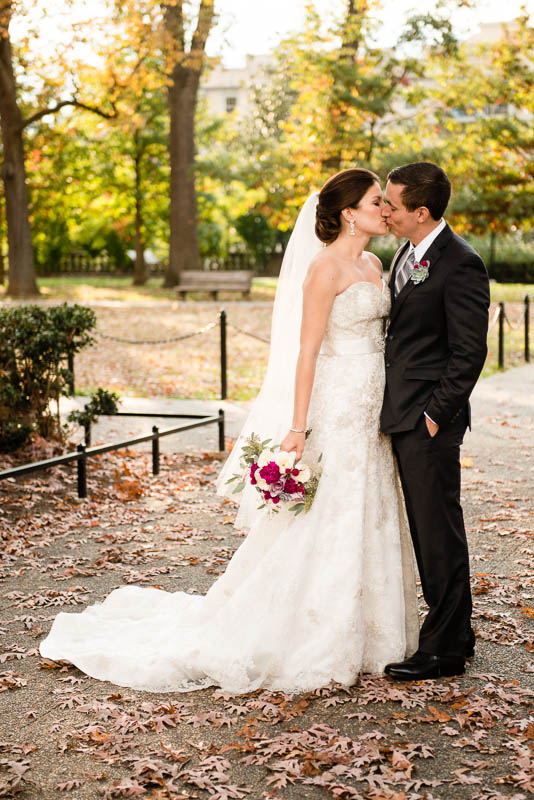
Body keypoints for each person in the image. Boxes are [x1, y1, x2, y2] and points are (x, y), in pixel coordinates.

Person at [39, 168, 418, 694]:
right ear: (349, 212)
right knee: (332, 507)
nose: (385, 209)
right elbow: (306, 352)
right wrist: (298, 425)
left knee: (371, 504)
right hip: (338, 403)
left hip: (375, 404)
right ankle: (315, 632)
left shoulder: (377, 262)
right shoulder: (323, 269)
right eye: (377, 201)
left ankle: (376, 630)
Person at [381, 162, 490, 681]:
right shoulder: (407, 252)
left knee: (437, 532)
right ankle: (458, 634)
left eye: (392, 204)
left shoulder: (460, 263)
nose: (384, 211)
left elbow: (469, 354)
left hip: (427, 421)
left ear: (421, 212)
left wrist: (433, 417)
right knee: (429, 532)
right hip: (399, 412)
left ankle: (444, 650)